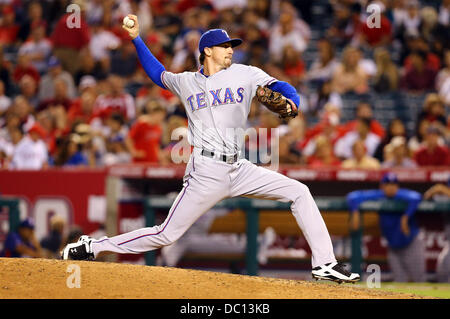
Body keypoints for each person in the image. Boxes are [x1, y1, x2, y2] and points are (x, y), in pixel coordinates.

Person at [61, 15, 360, 284]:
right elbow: (157, 73)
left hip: (239, 167)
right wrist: (137, 38)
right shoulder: (186, 82)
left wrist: (293, 102)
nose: (231, 49)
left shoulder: (245, 73)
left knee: (299, 191)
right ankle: (92, 246)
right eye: (224, 46)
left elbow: (284, 88)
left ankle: (324, 263)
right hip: (205, 171)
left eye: (232, 45)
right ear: (207, 50)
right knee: (166, 234)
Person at [347, 173, 426, 282]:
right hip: (393, 246)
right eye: (387, 184)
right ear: (382, 186)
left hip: (411, 242)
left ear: (398, 186)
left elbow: (416, 197)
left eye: (394, 184)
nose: (391, 187)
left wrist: (405, 216)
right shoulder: (379, 195)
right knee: (399, 281)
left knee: (419, 280)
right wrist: (355, 211)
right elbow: (352, 196)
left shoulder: (401, 195)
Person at [424, 181, 450, 283]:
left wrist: (443, 190)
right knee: (442, 271)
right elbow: (425, 198)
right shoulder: (444, 198)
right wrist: (434, 190)